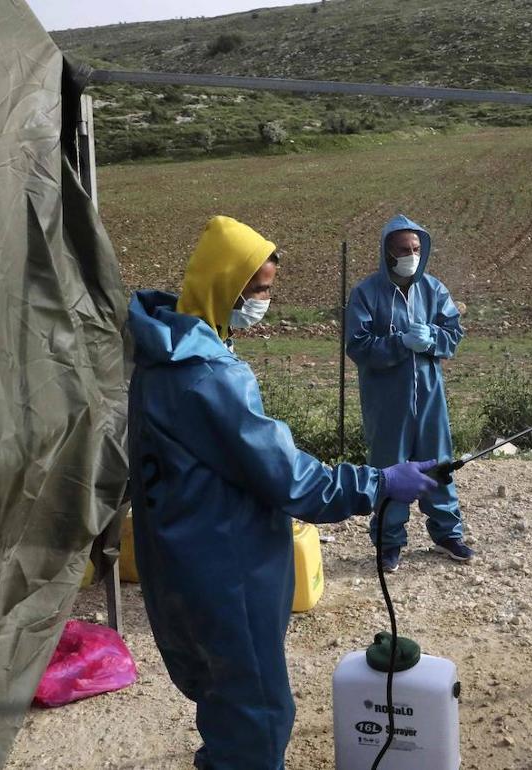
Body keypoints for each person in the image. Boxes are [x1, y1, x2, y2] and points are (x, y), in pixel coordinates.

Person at [127, 215, 440, 770]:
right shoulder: (206, 377)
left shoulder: (161, 352)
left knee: (225, 705)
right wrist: (382, 482)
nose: (265, 304)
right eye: (261, 292)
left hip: (183, 558)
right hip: (227, 569)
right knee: (258, 717)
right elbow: (293, 480)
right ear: (228, 287)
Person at [346, 214, 471, 571]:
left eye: (416, 248)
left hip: (430, 397)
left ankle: (448, 533)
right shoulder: (366, 294)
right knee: (390, 468)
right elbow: (358, 346)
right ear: (387, 252)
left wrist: (432, 339)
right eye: (403, 249)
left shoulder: (434, 290)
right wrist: (399, 343)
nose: (411, 255)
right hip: (387, 402)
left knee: (438, 463)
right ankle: (388, 542)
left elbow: (452, 335)